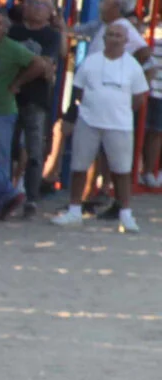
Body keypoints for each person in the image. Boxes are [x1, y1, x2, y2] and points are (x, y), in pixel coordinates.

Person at [58, 19, 147, 231]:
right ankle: (74, 210)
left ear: (126, 41)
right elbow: (78, 90)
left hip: (120, 125)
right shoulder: (91, 61)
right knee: (79, 166)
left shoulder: (133, 66)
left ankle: (125, 213)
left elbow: (139, 97)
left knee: (121, 170)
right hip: (88, 121)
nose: (115, 39)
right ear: (104, 38)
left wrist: (119, 109)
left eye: (119, 36)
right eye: (111, 35)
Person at [0, 8, 49, 221]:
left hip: (3, 111)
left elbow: (39, 64)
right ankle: (10, 192)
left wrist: (17, 83)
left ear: (6, 28)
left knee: (1, 158)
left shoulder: (13, 49)